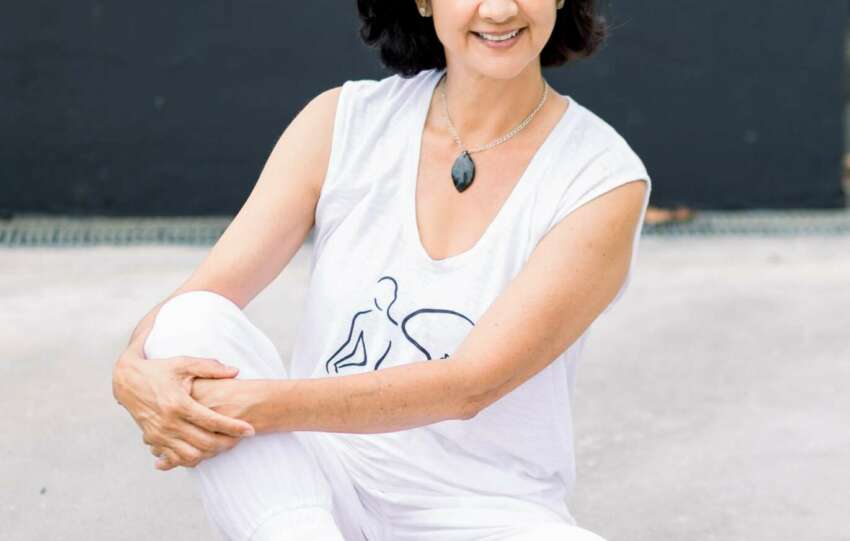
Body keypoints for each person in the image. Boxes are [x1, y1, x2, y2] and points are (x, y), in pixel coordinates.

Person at [111, 0, 652, 539]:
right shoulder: (343, 123)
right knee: (190, 320)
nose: (498, 8)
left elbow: (468, 386)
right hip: (314, 482)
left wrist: (252, 405)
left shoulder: (600, 179)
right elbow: (204, 295)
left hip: (485, 512)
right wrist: (132, 371)